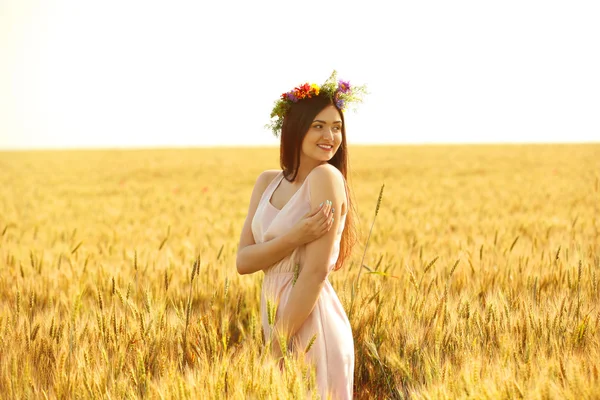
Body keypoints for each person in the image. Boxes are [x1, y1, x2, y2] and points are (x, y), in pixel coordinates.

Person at [236, 71, 365, 399]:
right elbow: (243, 261)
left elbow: (316, 271)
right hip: (274, 316)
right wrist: (293, 237)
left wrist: (279, 341)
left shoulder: (326, 177)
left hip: (310, 320)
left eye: (337, 127)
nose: (330, 136)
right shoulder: (267, 182)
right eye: (318, 126)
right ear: (295, 128)